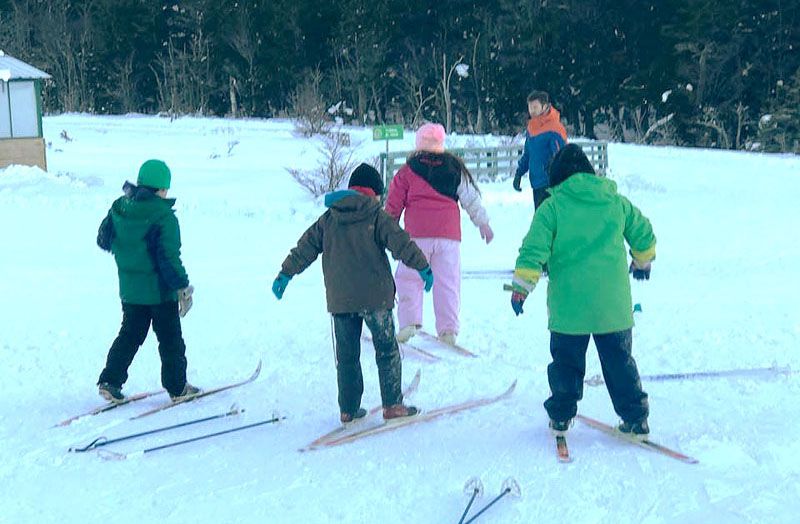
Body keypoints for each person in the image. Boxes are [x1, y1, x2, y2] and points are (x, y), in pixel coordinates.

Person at [509, 144, 656, 439]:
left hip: (569, 308)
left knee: (566, 365)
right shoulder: (615, 202)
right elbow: (644, 234)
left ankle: (561, 417)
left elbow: (533, 251)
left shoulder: (552, 207)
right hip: (611, 307)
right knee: (619, 364)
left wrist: (521, 289)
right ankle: (635, 418)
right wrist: (641, 262)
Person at [272, 163, 431, 423]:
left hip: (341, 299)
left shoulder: (329, 218)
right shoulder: (376, 215)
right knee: (387, 350)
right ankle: (392, 405)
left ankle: (348, 409)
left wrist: (285, 273)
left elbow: (305, 247)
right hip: (375, 298)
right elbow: (400, 243)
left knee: (346, 357)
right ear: (374, 192)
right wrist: (422, 266)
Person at [96, 159, 199, 403]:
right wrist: (183, 288)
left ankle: (110, 381)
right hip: (160, 293)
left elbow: (103, 239)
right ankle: (177, 388)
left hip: (131, 292)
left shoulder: (120, 208)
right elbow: (169, 259)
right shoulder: (163, 217)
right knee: (170, 340)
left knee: (130, 335)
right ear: (162, 188)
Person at [384, 123, 494, 346]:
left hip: (416, 236)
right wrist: (482, 222)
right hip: (448, 237)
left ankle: (408, 322)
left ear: (418, 146)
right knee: (448, 283)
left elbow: (393, 205)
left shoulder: (407, 171)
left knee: (409, 278)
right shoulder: (454, 168)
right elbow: (470, 198)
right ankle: (448, 330)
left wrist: (387, 230)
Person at [512, 91, 568, 209]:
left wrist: (554, 169)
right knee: (541, 222)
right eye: (530, 107)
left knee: (550, 222)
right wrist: (519, 173)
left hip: (551, 184)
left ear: (545, 106)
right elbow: (528, 154)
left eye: (535, 107)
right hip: (536, 183)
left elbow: (562, 156)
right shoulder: (532, 128)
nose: (532, 111)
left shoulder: (555, 128)